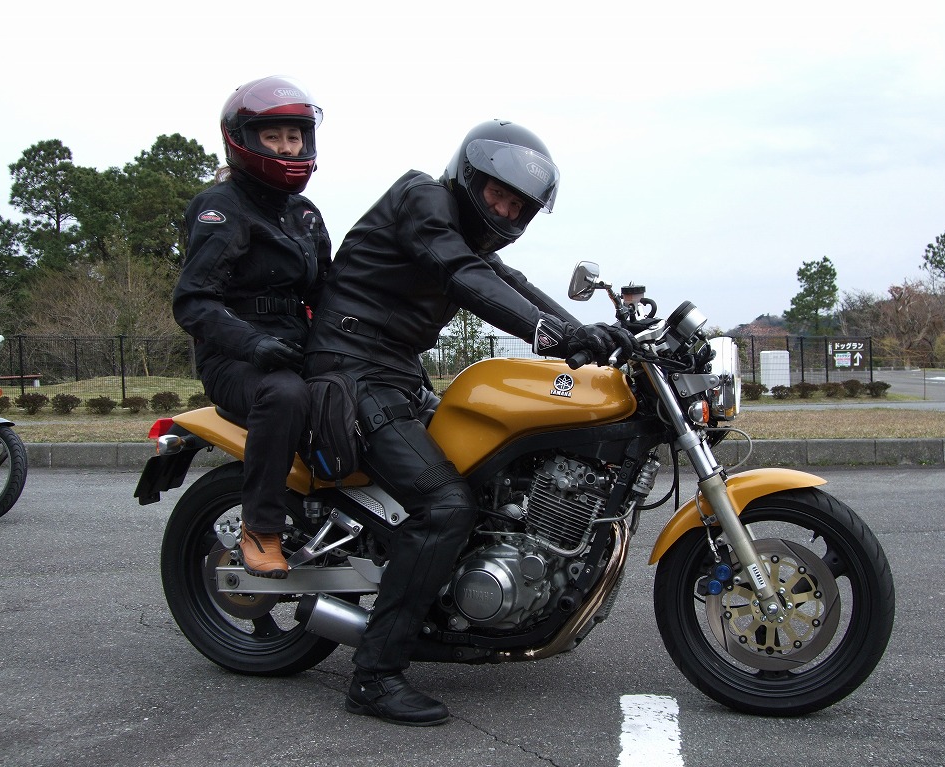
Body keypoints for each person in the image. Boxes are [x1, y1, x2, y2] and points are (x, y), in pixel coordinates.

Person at [303, 118, 634, 726]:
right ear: (468, 178)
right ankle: (374, 676)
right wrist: (551, 334)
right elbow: (463, 273)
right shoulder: (422, 200)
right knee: (443, 506)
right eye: (497, 195)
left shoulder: (466, 240)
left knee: (488, 481)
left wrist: (593, 338)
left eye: (517, 205)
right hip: (350, 373)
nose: (504, 211)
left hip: (396, 376)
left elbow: (510, 281)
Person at [173, 76, 332, 579]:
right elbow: (193, 301)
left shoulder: (305, 215)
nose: (287, 147)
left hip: (294, 347)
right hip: (235, 358)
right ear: (243, 140)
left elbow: (328, 295)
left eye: (294, 136)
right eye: (273, 136)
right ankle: (260, 528)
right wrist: (253, 342)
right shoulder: (221, 208)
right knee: (284, 395)